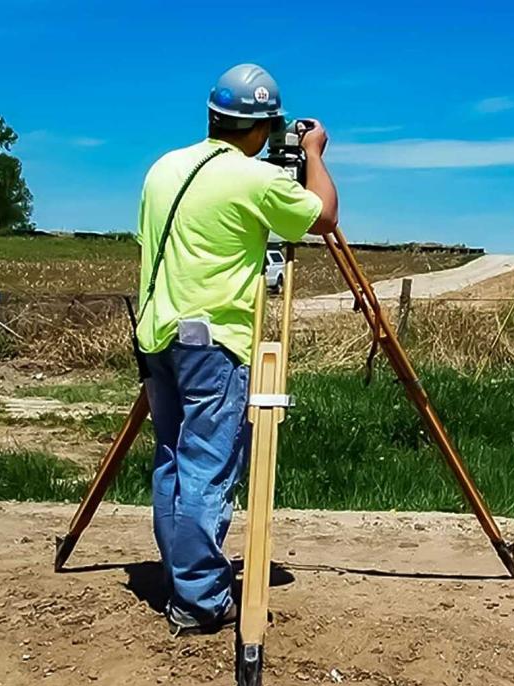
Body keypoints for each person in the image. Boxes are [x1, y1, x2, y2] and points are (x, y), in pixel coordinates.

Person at [134, 63, 338, 635]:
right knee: (207, 468)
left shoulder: (162, 169)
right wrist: (314, 154)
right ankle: (199, 600)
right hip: (214, 342)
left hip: (157, 335)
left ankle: (182, 577)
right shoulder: (255, 180)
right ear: (262, 128)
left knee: (173, 461)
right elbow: (324, 215)